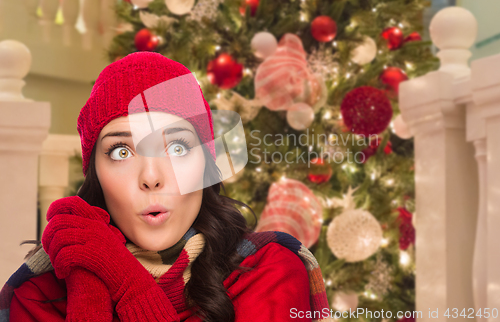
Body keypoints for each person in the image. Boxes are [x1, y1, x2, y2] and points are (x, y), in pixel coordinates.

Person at [0, 52, 331, 322]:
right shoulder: (38, 295)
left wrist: (130, 286)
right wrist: (89, 288)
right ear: (95, 173)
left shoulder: (268, 271)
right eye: (121, 151)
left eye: (177, 148)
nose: (151, 176)